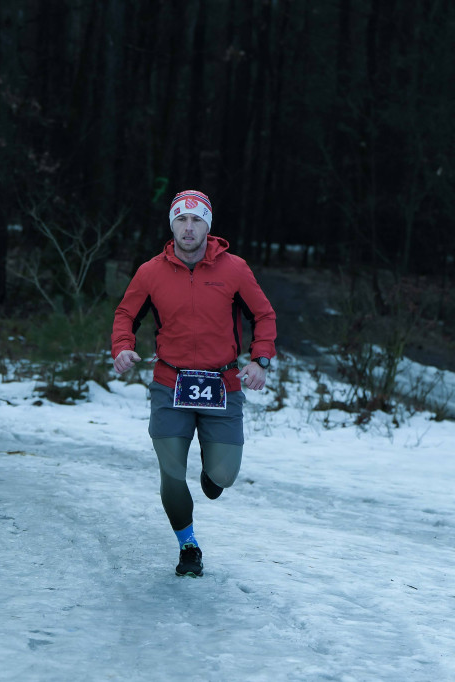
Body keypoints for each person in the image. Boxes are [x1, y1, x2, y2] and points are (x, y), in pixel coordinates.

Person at [111, 190, 276, 577]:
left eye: (196, 220)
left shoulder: (234, 269)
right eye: (181, 220)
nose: (189, 228)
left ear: (208, 226)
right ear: (172, 225)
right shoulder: (150, 272)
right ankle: (188, 545)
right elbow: (125, 314)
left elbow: (264, 315)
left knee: (223, 476)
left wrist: (260, 359)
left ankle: (210, 470)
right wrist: (122, 346)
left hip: (223, 385)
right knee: (170, 471)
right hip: (171, 383)